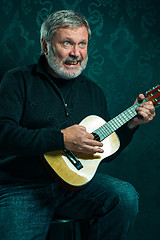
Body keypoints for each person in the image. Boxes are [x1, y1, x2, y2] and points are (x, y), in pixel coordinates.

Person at [0, 10, 155, 240]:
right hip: (22, 187)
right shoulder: (17, 80)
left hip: (75, 190)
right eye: (67, 43)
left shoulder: (94, 92)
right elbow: (4, 135)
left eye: (82, 44)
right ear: (45, 45)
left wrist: (131, 125)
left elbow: (101, 153)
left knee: (125, 196)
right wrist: (61, 139)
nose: (76, 53)